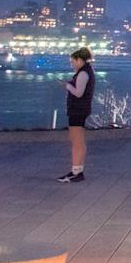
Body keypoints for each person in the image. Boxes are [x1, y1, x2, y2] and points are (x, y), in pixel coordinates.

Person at [59, 47, 94, 182]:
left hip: (77, 110)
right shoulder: (88, 71)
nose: (72, 64)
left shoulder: (83, 74)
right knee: (79, 142)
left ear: (79, 60)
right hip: (81, 110)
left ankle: (76, 171)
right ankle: (78, 170)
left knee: (76, 142)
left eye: (73, 61)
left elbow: (79, 93)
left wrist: (67, 86)